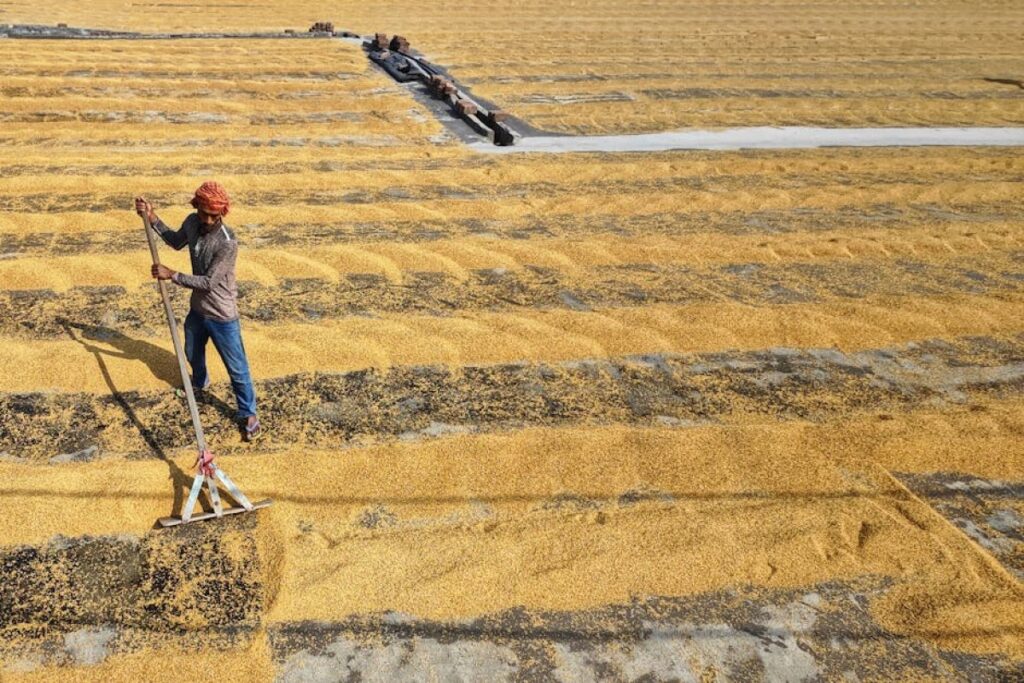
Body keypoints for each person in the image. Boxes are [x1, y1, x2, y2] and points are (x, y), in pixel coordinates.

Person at [134, 181, 262, 441]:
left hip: (222, 314)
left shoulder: (227, 243)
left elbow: (209, 282)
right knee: (192, 351)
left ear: (222, 212)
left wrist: (172, 275)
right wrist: (152, 217)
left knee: (237, 368)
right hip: (198, 310)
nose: (208, 219)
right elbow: (175, 241)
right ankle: (200, 381)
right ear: (197, 207)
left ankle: (249, 413)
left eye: (214, 215)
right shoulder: (192, 223)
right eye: (204, 213)